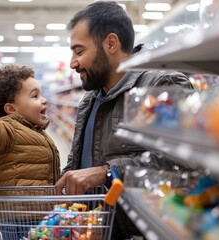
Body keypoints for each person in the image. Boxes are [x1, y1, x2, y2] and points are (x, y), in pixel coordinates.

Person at [54, 1, 193, 239]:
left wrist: (107, 172)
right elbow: (78, 162)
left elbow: (184, 162)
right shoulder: (90, 100)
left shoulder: (160, 86)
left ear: (110, 43)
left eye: (79, 51)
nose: (72, 63)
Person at [0, 63, 60, 188]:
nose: (44, 100)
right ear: (11, 109)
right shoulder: (8, 133)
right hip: (16, 208)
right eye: (35, 96)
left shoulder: (37, 132)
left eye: (41, 95)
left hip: (43, 206)